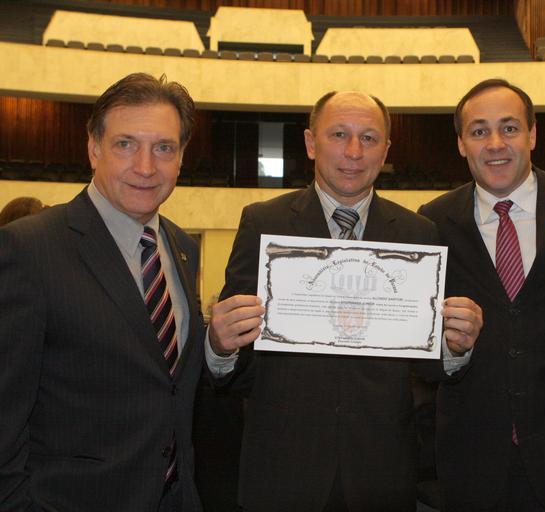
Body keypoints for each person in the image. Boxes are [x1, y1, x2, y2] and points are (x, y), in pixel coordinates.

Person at [206, 90, 483, 512]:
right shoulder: (263, 223)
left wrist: (455, 347)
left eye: (369, 138)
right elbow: (240, 365)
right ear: (311, 143)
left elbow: (429, 366)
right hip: (283, 471)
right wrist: (220, 347)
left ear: (385, 150)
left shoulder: (418, 234)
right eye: (339, 134)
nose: (354, 151)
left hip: (381, 472)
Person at [0, 73, 204, 511]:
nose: (146, 167)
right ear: (94, 148)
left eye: (164, 148)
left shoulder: (183, 248)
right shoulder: (29, 249)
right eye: (125, 144)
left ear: (181, 157)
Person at [418, 78, 545, 511]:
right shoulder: (432, 224)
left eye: (509, 128)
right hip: (472, 460)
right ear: (461, 143)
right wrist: (451, 350)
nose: (495, 144)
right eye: (479, 131)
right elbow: (421, 359)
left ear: (533, 134)